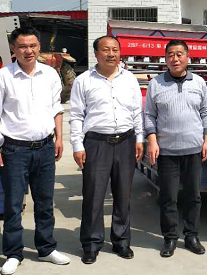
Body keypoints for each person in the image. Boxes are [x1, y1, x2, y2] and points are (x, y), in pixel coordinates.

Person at [0, 26, 69, 275]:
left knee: (44, 202)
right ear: (14, 49)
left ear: (39, 47)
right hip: (14, 150)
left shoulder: (50, 74)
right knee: (13, 205)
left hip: (45, 147)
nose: (28, 51)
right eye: (22, 46)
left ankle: (46, 248)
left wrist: (59, 138)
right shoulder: (3, 76)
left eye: (32, 45)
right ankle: (13, 253)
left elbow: (56, 107)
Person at [70, 36, 144, 264]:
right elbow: (76, 115)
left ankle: (121, 241)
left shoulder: (130, 79)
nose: (111, 54)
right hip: (96, 143)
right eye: (105, 50)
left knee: (123, 194)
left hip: (126, 141)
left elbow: (136, 111)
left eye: (115, 50)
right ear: (96, 53)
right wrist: (77, 145)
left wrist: (139, 138)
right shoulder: (83, 81)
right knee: (93, 195)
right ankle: (91, 244)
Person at [145, 39, 207, 257]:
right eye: (170, 54)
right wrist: (152, 140)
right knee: (168, 197)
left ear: (188, 57)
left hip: (193, 150)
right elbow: (149, 115)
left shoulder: (199, 82)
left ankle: (191, 235)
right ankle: (170, 238)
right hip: (167, 152)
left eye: (179, 54)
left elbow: (206, 112)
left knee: (193, 196)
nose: (175, 58)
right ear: (165, 59)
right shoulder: (156, 84)